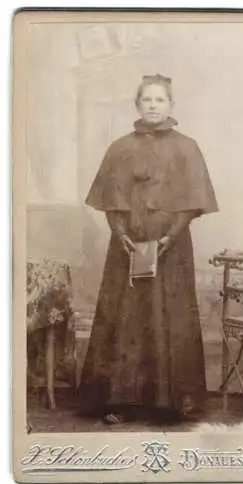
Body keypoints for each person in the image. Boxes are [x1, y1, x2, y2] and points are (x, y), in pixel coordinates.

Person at [78, 74, 218, 424]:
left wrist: (170, 236)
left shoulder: (187, 147)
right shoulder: (120, 148)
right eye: (147, 100)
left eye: (160, 100)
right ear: (137, 104)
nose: (154, 106)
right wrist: (120, 232)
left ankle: (169, 404)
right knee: (126, 318)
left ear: (171, 104)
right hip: (125, 247)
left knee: (169, 317)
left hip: (172, 248)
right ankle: (119, 402)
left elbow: (190, 202)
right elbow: (111, 201)